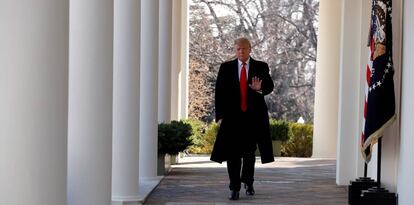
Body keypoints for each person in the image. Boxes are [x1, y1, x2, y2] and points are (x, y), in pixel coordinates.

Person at [210, 37, 275, 200]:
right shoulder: (226, 68)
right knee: (232, 154)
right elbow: (219, 92)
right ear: (235, 50)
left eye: (244, 49)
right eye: (238, 49)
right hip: (232, 119)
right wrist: (220, 116)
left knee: (249, 154)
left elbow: (270, 86)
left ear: (250, 49)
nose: (241, 52)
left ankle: (248, 181)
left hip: (252, 119)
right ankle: (234, 187)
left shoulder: (261, 66)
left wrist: (260, 88)